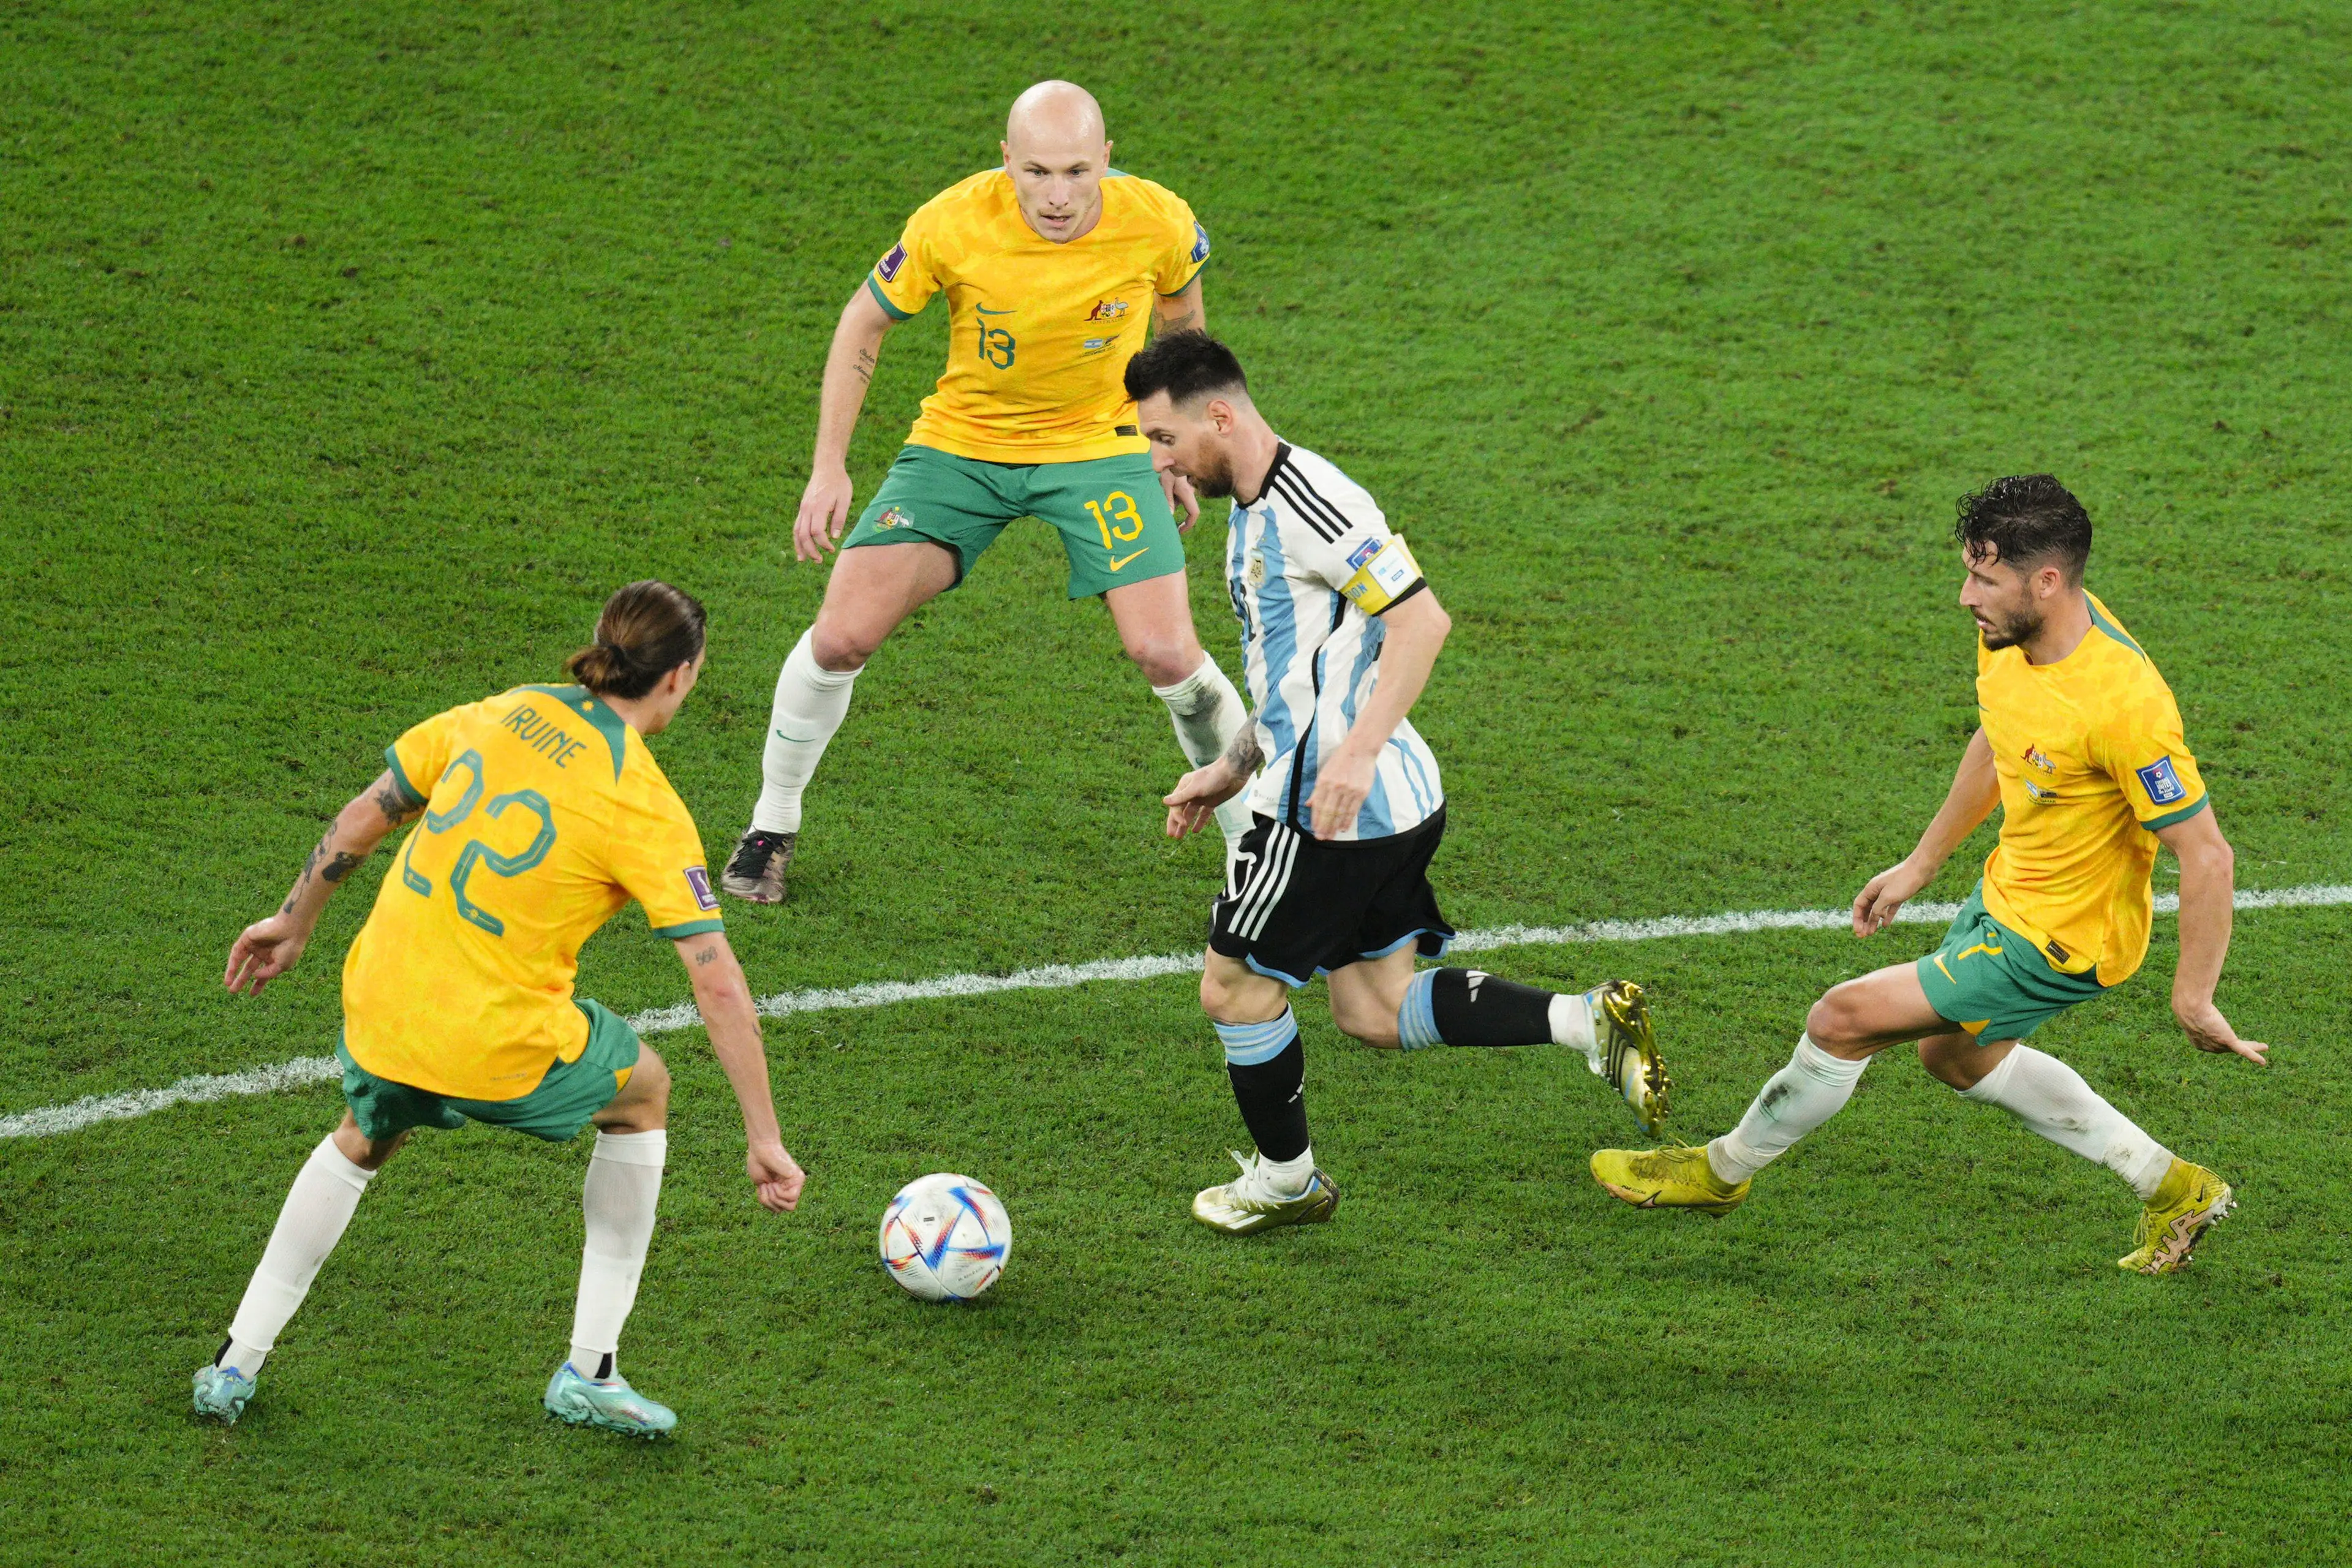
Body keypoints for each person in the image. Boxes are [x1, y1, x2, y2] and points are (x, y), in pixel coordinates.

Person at [1591, 477, 2264, 1275]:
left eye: (1984, 578)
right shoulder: (2012, 634)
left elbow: (2208, 853)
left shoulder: (2124, 707)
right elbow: (2000, 735)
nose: (1964, 596)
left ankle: (1719, 1173)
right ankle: (2174, 1186)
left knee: (1841, 1020)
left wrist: (2193, 998)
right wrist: (1922, 861)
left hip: (2060, 940)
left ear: (2045, 582)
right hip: (2010, 892)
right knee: (1954, 1060)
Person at [194, 581, 805, 1436]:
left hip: (383, 998)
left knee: (366, 1132)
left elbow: (370, 812)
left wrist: (292, 921)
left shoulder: (504, 711)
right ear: (679, 678)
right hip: (489, 1036)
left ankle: (233, 1363)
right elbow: (718, 982)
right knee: (645, 1091)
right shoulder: (645, 803)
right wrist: (765, 1139)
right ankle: (591, 1369)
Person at [1128, 333, 1670, 1236]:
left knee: (1232, 991)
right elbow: (1303, 676)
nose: (1160, 461)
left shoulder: (1311, 503)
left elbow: (1423, 621)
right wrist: (1227, 771)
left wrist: (1352, 757)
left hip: (1330, 809)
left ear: (1218, 415)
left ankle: (1285, 1181)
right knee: (1374, 1011)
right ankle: (1587, 1023)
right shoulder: (1256, 507)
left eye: (1162, 439)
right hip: (1387, 802)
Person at [725, 80, 1251, 904]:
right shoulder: (952, 221)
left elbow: (1183, 324)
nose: (1057, 195)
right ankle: (772, 823)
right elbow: (863, 322)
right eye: (1037, 172)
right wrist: (830, 464)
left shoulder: (1159, 221)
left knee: (1166, 653)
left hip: (1099, 447)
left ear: (1106, 160)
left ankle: (1252, 846)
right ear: (1006, 160)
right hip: (963, 446)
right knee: (840, 637)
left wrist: (1169, 447)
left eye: (1077, 172)